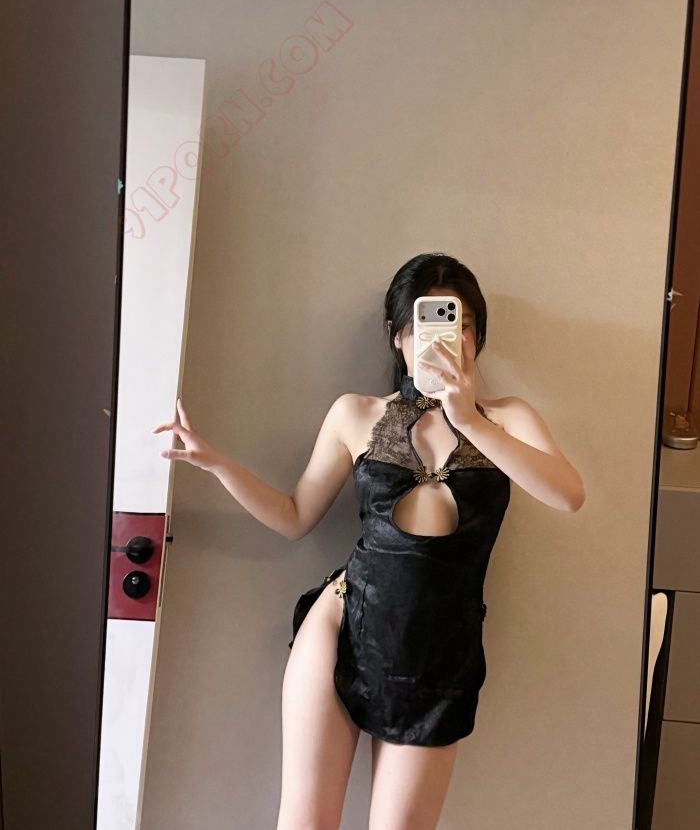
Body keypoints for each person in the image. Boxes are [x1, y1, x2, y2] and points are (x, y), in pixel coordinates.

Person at [153, 252, 586, 830]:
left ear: (478, 336)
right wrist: (216, 464)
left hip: (437, 654)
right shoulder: (356, 414)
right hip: (343, 628)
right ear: (398, 336)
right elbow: (294, 515)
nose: (447, 340)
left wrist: (469, 420)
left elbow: (568, 494)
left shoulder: (508, 418)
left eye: (462, 325)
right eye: (426, 326)